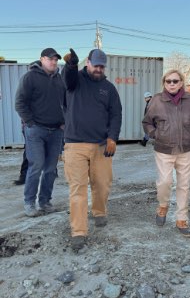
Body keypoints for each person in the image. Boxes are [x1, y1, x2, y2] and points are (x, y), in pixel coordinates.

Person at [62, 48, 122, 250]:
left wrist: (113, 137)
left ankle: (99, 211)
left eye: (101, 66)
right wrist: (71, 65)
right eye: (95, 65)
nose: (98, 69)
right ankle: (78, 231)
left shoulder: (109, 88)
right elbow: (67, 79)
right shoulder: (75, 81)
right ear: (87, 63)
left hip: (100, 145)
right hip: (74, 144)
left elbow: (116, 114)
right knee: (77, 188)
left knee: (102, 184)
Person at [142, 69, 190, 238]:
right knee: (164, 182)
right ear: (164, 83)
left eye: (175, 81)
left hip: (185, 149)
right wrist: (155, 134)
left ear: (181, 82)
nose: (171, 84)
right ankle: (162, 206)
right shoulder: (156, 100)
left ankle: (181, 219)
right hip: (164, 150)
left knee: (184, 185)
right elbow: (147, 122)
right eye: (168, 81)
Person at [15, 48, 65, 217]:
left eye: (55, 59)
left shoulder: (59, 79)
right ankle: (29, 203)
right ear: (42, 59)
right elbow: (20, 102)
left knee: (51, 169)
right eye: (50, 59)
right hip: (36, 131)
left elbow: (66, 102)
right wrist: (30, 123)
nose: (53, 62)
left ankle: (45, 201)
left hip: (56, 131)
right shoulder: (30, 77)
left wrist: (64, 121)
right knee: (36, 166)